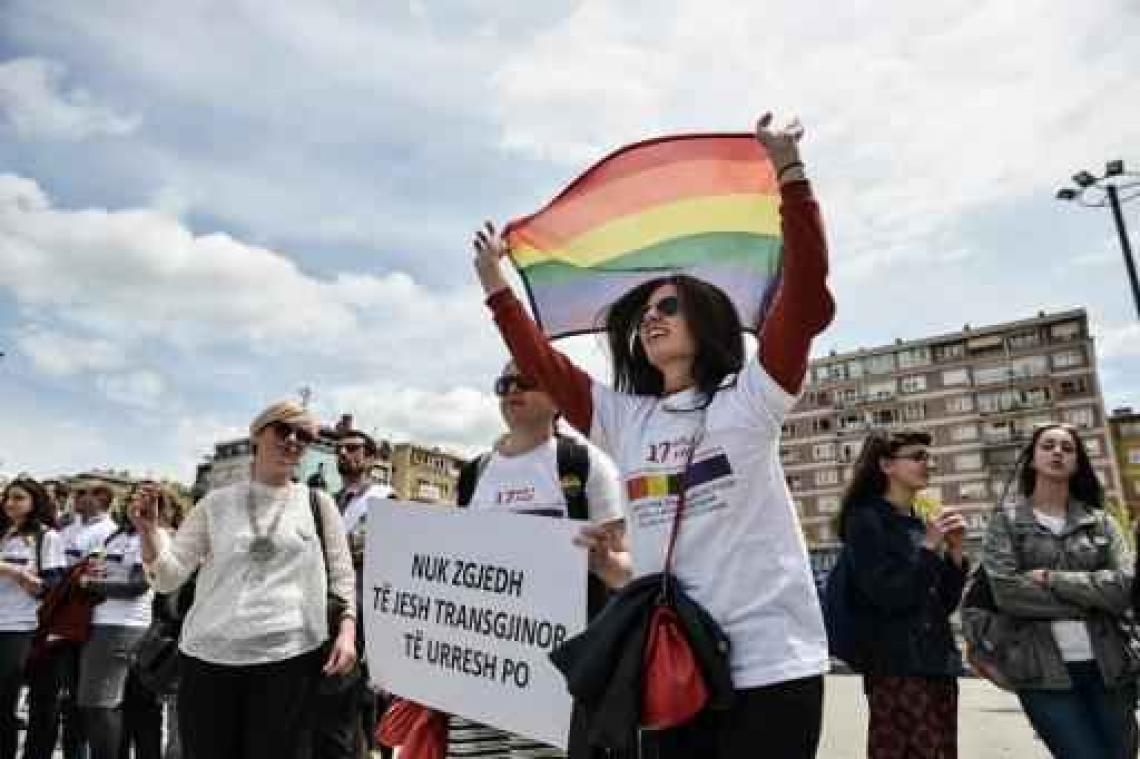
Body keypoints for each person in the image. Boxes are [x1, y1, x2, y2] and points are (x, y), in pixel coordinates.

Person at [472, 111, 834, 758]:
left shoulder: (753, 396)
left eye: (668, 305)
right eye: (642, 313)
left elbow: (805, 296)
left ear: (706, 317)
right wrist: (496, 287)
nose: (650, 318)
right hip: (672, 670)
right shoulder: (625, 419)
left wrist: (789, 172)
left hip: (771, 665)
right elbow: (545, 366)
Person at [131, 400, 356, 759]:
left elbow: (342, 575)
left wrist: (347, 630)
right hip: (209, 658)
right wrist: (148, 533)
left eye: (303, 436)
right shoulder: (215, 503)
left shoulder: (318, 503)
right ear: (257, 435)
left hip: (290, 659)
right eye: (283, 429)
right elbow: (167, 578)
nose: (292, 440)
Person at [446, 361, 626, 759]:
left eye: (526, 381)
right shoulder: (475, 473)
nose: (513, 390)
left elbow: (623, 563)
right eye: (504, 384)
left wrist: (602, 561)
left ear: (558, 398)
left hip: (557, 670)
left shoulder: (585, 464)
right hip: (479, 665)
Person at [982, 423, 1137, 758]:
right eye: (1048, 445)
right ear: (1032, 459)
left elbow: (1124, 587)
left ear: (1077, 463)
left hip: (1111, 667)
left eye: (1067, 448)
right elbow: (1007, 592)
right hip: (1042, 673)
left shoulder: (1101, 522)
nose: (1057, 452)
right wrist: (1093, 600)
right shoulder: (1006, 522)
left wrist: (1053, 580)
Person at [836, 430, 967, 758]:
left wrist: (955, 552)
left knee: (942, 751)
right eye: (917, 456)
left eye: (929, 457)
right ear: (886, 465)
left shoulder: (921, 522)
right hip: (894, 663)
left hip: (937, 662)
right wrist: (929, 547)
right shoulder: (864, 519)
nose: (928, 464)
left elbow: (942, 604)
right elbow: (888, 594)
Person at [24, 479, 120, 759]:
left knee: (75, 703)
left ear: (101, 498)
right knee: (51, 697)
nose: (73, 498)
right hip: (54, 618)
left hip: (81, 625)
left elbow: (91, 578)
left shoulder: (108, 532)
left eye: (80, 493)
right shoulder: (67, 528)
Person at [313, 428, 392, 759]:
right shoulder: (328, 501)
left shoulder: (385, 498)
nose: (343, 453)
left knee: (349, 710)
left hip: (363, 615)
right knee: (328, 713)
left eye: (353, 448)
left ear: (371, 458)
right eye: (339, 449)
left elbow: (385, 552)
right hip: (324, 613)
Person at [75, 486, 153, 759]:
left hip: (121, 626)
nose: (133, 504)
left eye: (143, 500)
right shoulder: (117, 535)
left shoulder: (150, 537)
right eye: (131, 498)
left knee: (99, 705)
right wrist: (93, 573)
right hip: (101, 621)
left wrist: (90, 584)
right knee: (101, 705)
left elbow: (137, 587)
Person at [0, 478, 65, 759]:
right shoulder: (3, 534)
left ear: (34, 502)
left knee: (5, 702)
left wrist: (17, 575)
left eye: (18, 498)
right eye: (7, 497)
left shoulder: (47, 537)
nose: (10, 503)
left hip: (20, 626)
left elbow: (52, 588)